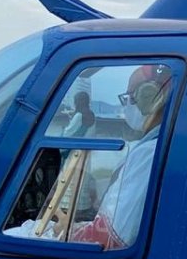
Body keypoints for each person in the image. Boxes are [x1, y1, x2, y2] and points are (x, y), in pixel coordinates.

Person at [69, 65, 173, 249]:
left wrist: (66, 232)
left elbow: (111, 239)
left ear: (150, 98)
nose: (128, 105)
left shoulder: (149, 153)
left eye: (131, 96)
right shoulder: (160, 144)